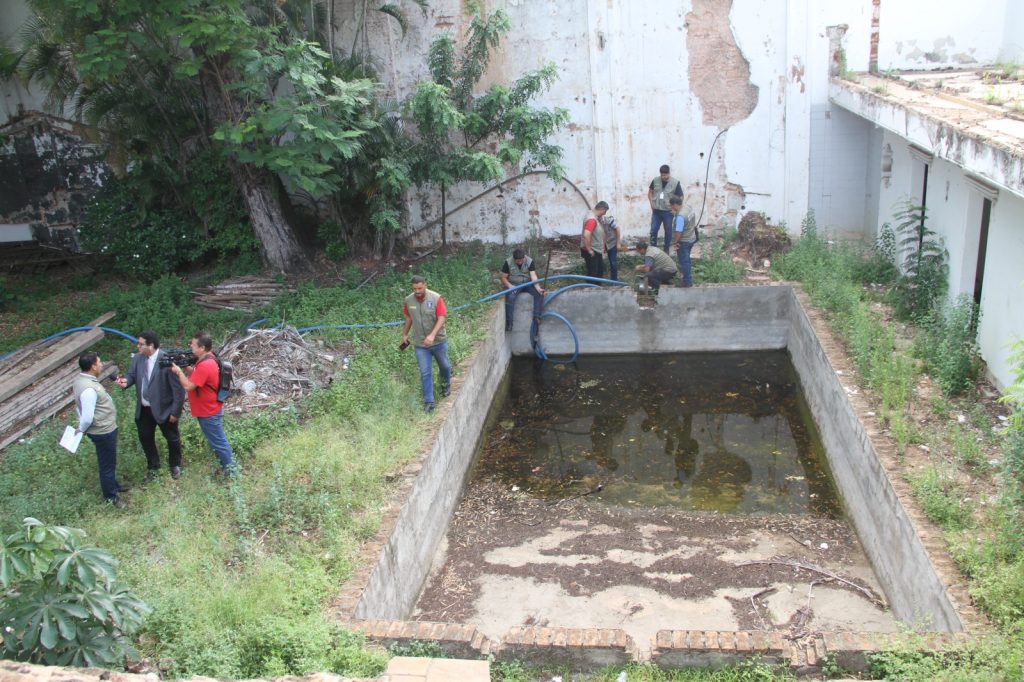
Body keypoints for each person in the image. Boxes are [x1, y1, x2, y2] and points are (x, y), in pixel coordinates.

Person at [116, 331, 185, 480]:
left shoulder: (167, 360)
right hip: (144, 408)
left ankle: (175, 464)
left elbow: (178, 390)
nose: (138, 346)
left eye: (141, 344)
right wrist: (126, 381)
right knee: (145, 437)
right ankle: (153, 467)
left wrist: (175, 412)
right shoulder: (138, 358)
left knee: (172, 437)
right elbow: (132, 375)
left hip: (164, 408)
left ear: (151, 345)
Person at [170, 332, 237, 475]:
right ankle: (225, 466)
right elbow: (197, 375)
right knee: (216, 441)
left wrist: (179, 372)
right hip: (208, 408)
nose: (190, 346)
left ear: (202, 348)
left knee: (219, 442)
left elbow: (189, 386)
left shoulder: (205, 364)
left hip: (208, 411)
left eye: (193, 345)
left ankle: (232, 473)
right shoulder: (208, 358)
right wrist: (185, 366)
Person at [74, 352, 126, 508]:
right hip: (102, 431)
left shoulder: (82, 381)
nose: (101, 364)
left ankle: (113, 485)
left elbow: (79, 408)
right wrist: (81, 428)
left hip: (104, 428)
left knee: (109, 461)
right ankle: (111, 497)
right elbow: (87, 416)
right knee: (107, 465)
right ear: (93, 367)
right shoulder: (88, 389)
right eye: (99, 362)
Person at [402, 275, 452, 413]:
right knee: (425, 372)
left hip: (438, 341)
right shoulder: (409, 300)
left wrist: (432, 335)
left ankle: (445, 384)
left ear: (425, 285)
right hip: (421, 344)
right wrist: (405, 334)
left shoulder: (436, 298)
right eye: (414, 289)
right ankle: (429, 402)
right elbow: (408, 318)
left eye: (419, 288)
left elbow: (441, 318)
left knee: (445, 366)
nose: (417, 291)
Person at [500, 248, 545, 331]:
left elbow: (533, 275)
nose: (520, 262)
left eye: (521, 260)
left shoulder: (529, 261)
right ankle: (509, 323)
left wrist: (538, 288)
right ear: (514, 259)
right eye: (518, 261)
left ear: (524, 257)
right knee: (510, 298)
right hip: (515, 285)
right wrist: (510, 286)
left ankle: (536, 317)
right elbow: (503, 277)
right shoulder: (508, 262)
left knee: (538, 294)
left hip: (527, 283)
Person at [648, 164, 684, 250]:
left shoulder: (675, 182)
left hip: (668, 211)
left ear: (669, 173)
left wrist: (675, 210)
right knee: (653, 230)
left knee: (668, 231)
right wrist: (651, 203)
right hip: (656, 211)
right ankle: (653, 249)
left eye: (665, 175)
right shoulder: (655, 180)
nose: (663, 177)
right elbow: (650, 192)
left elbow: (681, 197)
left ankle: (666, 249)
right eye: (662, 175)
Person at [670, 196, 698, 287]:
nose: (671, 208)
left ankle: (687, 281)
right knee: (687, 260)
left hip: (684, 241)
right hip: (691, 237)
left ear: (674, 205)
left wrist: (675, 242)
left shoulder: (680, 217)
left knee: (684, 262)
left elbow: (679, 231)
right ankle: (685, 277)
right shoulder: (687, 207)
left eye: (671, 206)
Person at [580, 200, 608, 279]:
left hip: (595, 250)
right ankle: (592, 286)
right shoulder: (592, 220)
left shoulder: (593, 215)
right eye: (605, 211)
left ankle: (596, 285)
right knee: (593, 273)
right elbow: (586, 235)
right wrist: (589, 250)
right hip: (592, 251)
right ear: (602, 209)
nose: (605, 214)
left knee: (598, 271)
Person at [602, 209, 622, 282]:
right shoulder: (596, 221)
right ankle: (602, 279)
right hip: (604, 244)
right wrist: (603, 246)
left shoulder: (609, 220)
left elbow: (617, 229)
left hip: (612, 243)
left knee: (613, 263)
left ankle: (614, 280)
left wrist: (618, 243)